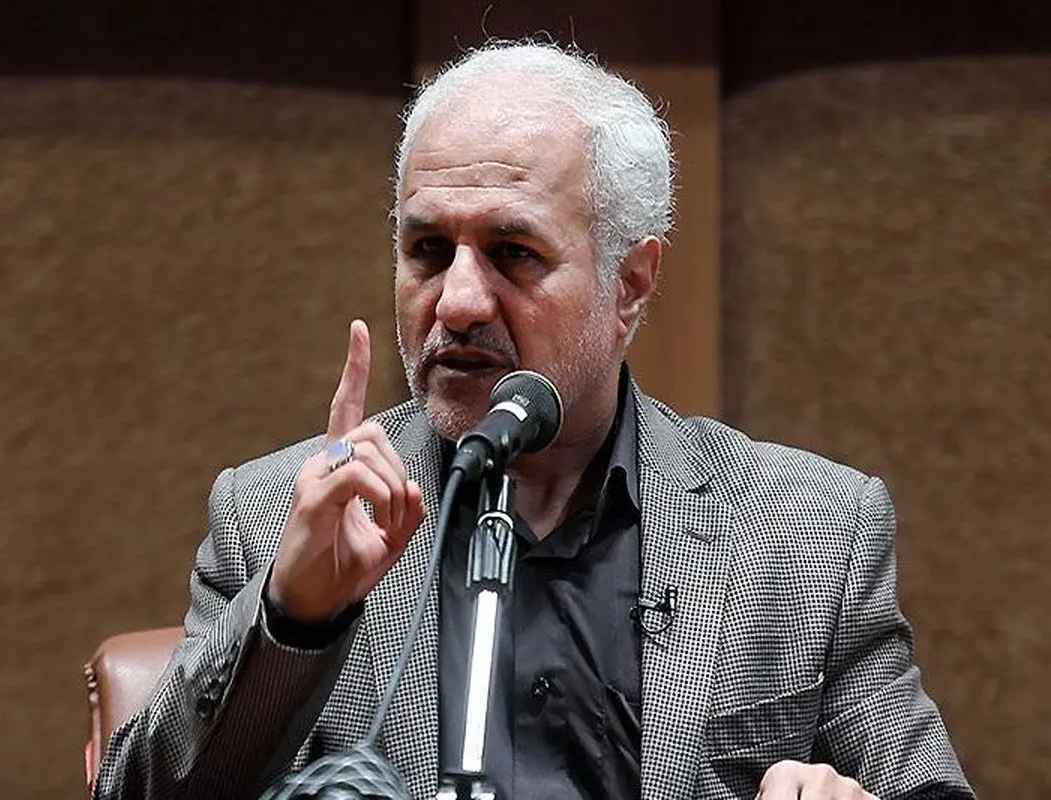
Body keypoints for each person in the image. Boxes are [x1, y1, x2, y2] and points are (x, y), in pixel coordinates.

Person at [94, 41, 974, 800]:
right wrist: (294, 617)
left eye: (513, 253)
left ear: (630, 284)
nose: (458, 302)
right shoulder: (274, 518)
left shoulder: (809, 534)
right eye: (427, 249)